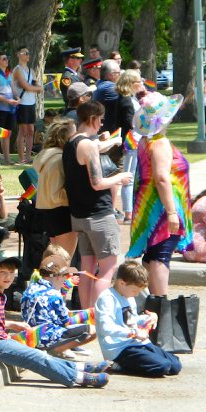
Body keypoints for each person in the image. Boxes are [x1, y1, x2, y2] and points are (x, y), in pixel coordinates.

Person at [0, 250, 110, 388]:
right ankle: (78, 378)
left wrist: (12, 324)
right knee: (37, 358)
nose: (8, 277)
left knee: (39, 355)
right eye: (2, 272)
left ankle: (80, 367)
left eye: (11, 272)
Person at [63, 100, 134, 308]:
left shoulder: (72, 142)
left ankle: (86, 313)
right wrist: (120, 178)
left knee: (87, 268)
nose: (101, 124)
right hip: (99, 216)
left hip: (79, 216)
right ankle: (99, 314)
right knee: (107, 270)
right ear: (93, 119)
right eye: (101, 120)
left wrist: (111, 142)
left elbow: (95, 147)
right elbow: (98, 183)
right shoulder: (88, 146)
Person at [125, 92, 192, 297]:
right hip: (162, 207)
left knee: (152, 254)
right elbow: (161, 178)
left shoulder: (146, 141)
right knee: (160, 256)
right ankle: (160, 305)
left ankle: (152, 307)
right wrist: (172, 212)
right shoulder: (160, 143)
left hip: (149, 205)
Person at [95, 261, 181, 377]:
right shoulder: (107, 298)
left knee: (175, 365)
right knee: (163, 366)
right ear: (122, 283)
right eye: (135, 290)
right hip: (120, 349)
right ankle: (117, 365)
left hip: (138, 343)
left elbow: (131, 320)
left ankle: (137, 361)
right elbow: (106, 328)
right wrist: (134, 333)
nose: (136, 295)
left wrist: (149, 318)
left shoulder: (128, 295)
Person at [19, 245, 96, 355]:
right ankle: (57, 349)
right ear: (58, 276)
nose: (67, 277)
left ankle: (63, 347)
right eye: (65, 275)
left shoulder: (31, 288)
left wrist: (67, 286)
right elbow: (65, 322)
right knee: (92, 329)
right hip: (46, 336)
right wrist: (88, 315)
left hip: (31, 334)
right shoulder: (54, 294)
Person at [34, 118, 77, 257]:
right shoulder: (59, 159)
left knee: (55, 257)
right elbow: (56, 193)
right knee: (64, 260)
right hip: (61, 210)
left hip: (47, 212)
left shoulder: (46, 157)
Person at [115, 69, 146, 223]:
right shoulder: (126, 100)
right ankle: (128, 212)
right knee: (129, 176)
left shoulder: (131, 98)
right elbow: (129, 122)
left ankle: (132, 208)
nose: (141, 84)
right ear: (130, 84)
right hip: (131, 140)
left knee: (135, 177)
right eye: (138, 82)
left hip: (136, 138)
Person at [11, 46, 42, 164]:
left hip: (31, 103)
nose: (28, 55)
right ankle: (21, 158)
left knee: (30, 130)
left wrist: (34, 88)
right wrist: (34, 88)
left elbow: (38, 87)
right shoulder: (17, 70)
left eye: (28, 53)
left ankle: (28, 157)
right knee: (23, 131)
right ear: (19, 54)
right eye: (25, 53)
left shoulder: (31, 71)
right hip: (22, 102)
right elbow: (27, 86)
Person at [0, 53, 18, 165]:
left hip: (10, 109)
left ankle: (7, 159)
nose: (6, 60)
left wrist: (17, 98)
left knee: (8, 134)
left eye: (7, 58)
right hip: (0, 109)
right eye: (4, 59)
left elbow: (13, 90)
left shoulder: (9, 74)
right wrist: (8, 101)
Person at [93, 59, 122, 134]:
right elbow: (128, 99)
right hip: (108, 132)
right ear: (110, 75)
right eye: (118, 73)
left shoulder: (100, 83)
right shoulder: (109, 88)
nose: (120, 75)